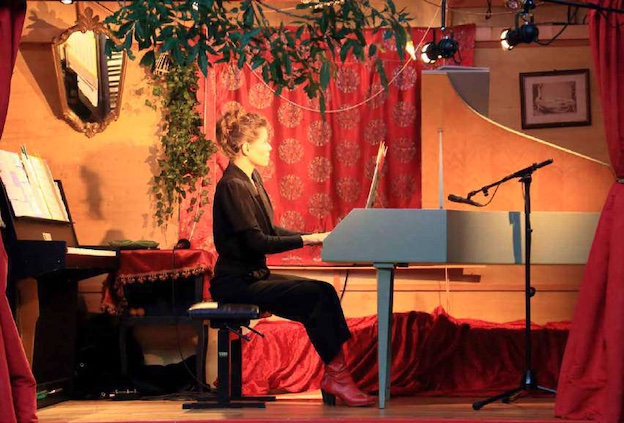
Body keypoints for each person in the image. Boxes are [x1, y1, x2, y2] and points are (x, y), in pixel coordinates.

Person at [209, 106, 375, 407]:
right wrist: (309, 239)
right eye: (264, 141)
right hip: (234, 282)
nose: (270, 146)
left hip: (253, 277)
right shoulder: (233, 185)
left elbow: (270, 228)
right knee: (316, 295)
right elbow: (257, 242)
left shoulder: (251, 180)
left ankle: (336, 376)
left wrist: (316, 236)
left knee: (322, 292)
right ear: (247, 147)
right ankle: (337, 377)